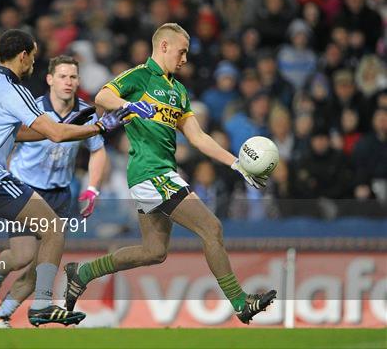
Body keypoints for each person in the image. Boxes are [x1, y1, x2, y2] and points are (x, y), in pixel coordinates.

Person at [0, 29, 132, 328]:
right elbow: (54, 133)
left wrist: (65, 128)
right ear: (24, 55)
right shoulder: (13, 90)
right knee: (53, 228)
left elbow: (17, 132)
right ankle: (42, 305)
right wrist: (100, 127)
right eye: (33, 56)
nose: (33, 64)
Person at [63, 23, 276, 325]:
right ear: (163, 46)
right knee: (211, 228)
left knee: (154, 251)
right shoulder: (139, 76)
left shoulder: (178, 90)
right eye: (182, 51)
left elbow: (198, 137)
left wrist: (237, 164)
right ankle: (241, 303)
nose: (185, 59)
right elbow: (102, 96)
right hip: (151, 173)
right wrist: (131, 104)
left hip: (159, 174)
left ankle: (82, 273)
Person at [0, 55, 107, 328]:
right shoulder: (32, 108)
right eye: (62, 76)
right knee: (23, 256)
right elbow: (7, 141)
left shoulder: (86, 113)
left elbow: (98, 151)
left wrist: (92, 188)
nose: (68, 82)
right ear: (49, 79)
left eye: (73, 77)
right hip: (27, 189)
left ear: (79, 81)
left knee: (42, 267)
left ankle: (3, 314)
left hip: (60, 195)